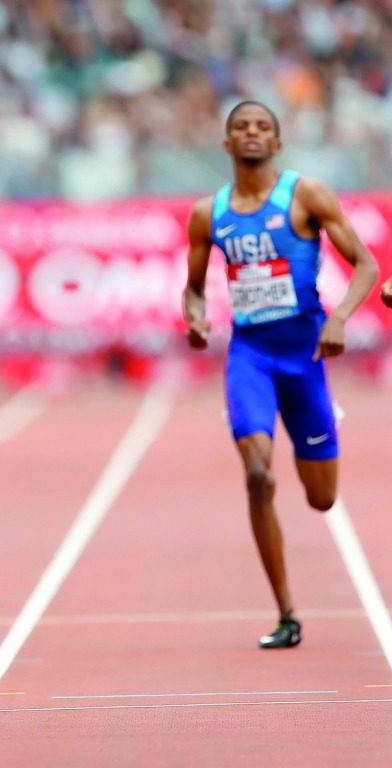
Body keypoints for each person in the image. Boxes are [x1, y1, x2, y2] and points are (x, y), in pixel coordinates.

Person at [183, 100, 378, 649]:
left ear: (277, 142)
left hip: (305, 355)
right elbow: (194, 287)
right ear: (226, 143)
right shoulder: (209, 213)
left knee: (321, 499)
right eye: (241, 127)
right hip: (250, 356)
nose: (251, 133)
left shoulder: (306, 195)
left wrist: (338, 318)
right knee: (258, 476)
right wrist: (195, 316)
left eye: (262, 127)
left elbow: (367, 264)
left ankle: (308, 443)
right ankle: (286, 613)